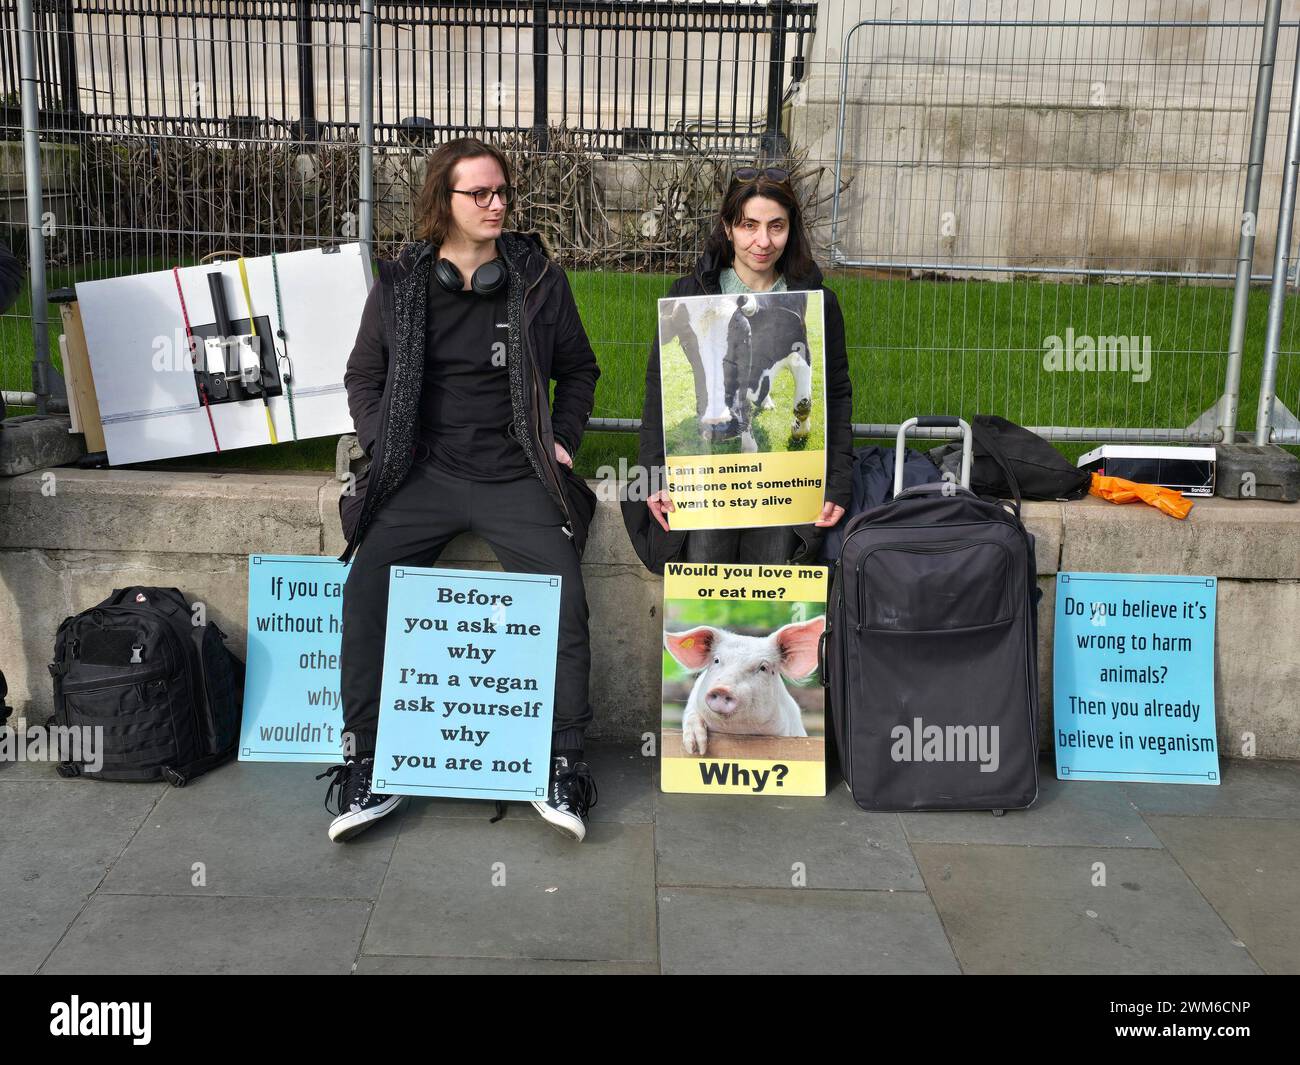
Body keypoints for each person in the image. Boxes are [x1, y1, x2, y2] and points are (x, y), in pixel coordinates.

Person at [325, 137, 601, 843]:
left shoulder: (538, 278)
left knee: (565, 596)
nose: (497, 203)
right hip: (422, 474)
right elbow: (364, 376)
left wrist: (561, 441)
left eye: (502, 191)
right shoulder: (401, 284)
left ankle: (564, 762)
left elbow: (580, 368)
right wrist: (383, 442)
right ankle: (365, 763)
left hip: (518, 474)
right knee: (365, 589)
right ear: (440, 201)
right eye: (479, 193)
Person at [625, 167, 854, 569]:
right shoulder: (690, 295)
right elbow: (658, 390)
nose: (763, 241)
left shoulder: (818, 301)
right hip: (707, 479)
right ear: (728, 227)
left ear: (791, 229)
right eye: (749, 225)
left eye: (776, 226)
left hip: (783, 482)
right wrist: (655, 474)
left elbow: (834, 392)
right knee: (704, 567)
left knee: (773, 569)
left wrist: (837, 480)